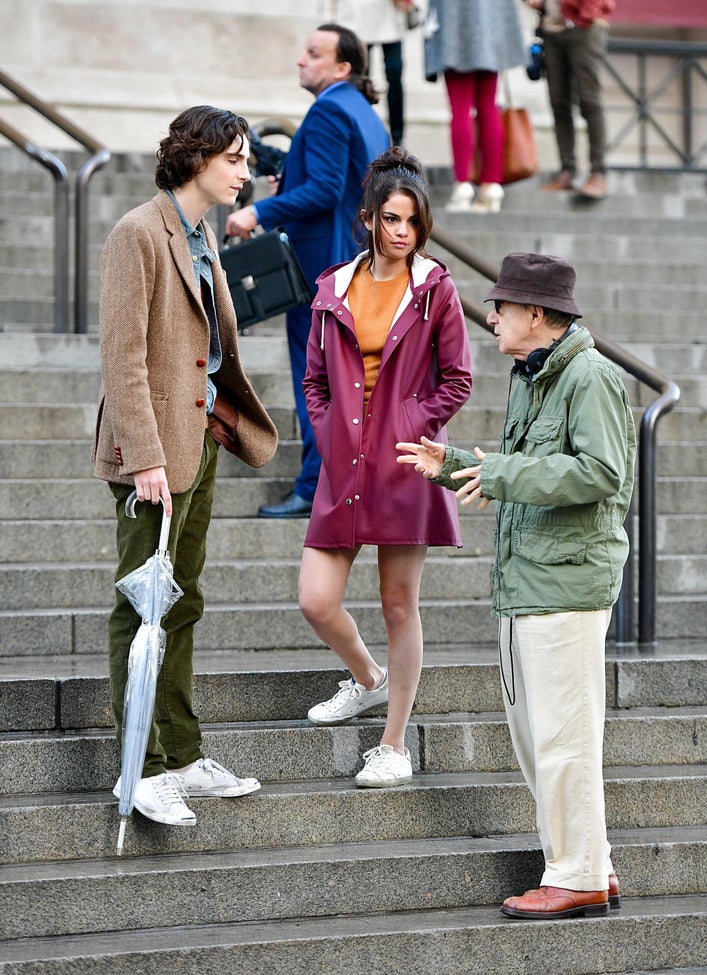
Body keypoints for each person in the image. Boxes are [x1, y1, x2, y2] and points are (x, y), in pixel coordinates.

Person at [397, 252, 636, 916]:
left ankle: (576, 872)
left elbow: (598, 473)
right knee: (540, 736)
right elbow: (525, 466)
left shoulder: (590, 377)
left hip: (566, 583)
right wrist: (458, 465)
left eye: (501, 306)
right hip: (527, 580)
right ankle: (592, 863)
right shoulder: (532, 375)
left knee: (563, 737)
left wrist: (496, 473)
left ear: (537, 313)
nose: (491, 314)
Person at [93, 106, 278, 827]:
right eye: (234, 158)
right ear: (198, 158)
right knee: (142, 603)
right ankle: (139, 767)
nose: (245, 171)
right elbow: (124, 356)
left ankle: (182, 753)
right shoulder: (139, 232)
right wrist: (144, 457)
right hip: (153, 452)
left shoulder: (199, 234)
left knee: (183, 597)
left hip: (198, 437)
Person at [299, 146, 473, 788]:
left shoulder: (435, 288)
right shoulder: (332, 287)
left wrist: (408, 425)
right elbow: (315, 380)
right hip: (344, 463)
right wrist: (325, 432)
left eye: (412, 223)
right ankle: (368, 680)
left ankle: (393, 744)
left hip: (404, 462)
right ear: (370, 218)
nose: (402, 232)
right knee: (316, 601)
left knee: (399, 604)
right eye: (392, 220)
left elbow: (458, 379)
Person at [225, 24, 390, 518]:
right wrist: (289, 176)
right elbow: (338, 187)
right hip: (353, 263)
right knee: (339, 380)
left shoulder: (328, 110)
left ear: (342, 68)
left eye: (314, 54)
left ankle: (316, 484)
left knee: (316, 380)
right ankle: (338, 483)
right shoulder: (363, 113)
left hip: (321, 270)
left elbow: (322, 190)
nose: (301, 60)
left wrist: (256, 212)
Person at [423, 0, 525, 212]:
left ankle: (462, 184)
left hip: (454, 26)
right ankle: (491, 185)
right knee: (488, 108)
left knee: (460, 111)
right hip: (490, 27)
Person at [524, 0, 615, 199]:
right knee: (559, 102)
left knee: (589, 101)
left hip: (585, 24)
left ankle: (599, 172)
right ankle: (567, 171)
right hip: (551, 28)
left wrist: (588, 14)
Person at [321, 0, 421, 146]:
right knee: (360, 79)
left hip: (391, 14)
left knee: (394, 74)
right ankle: (362, 132)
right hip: (357, 15)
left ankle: (398, 138)